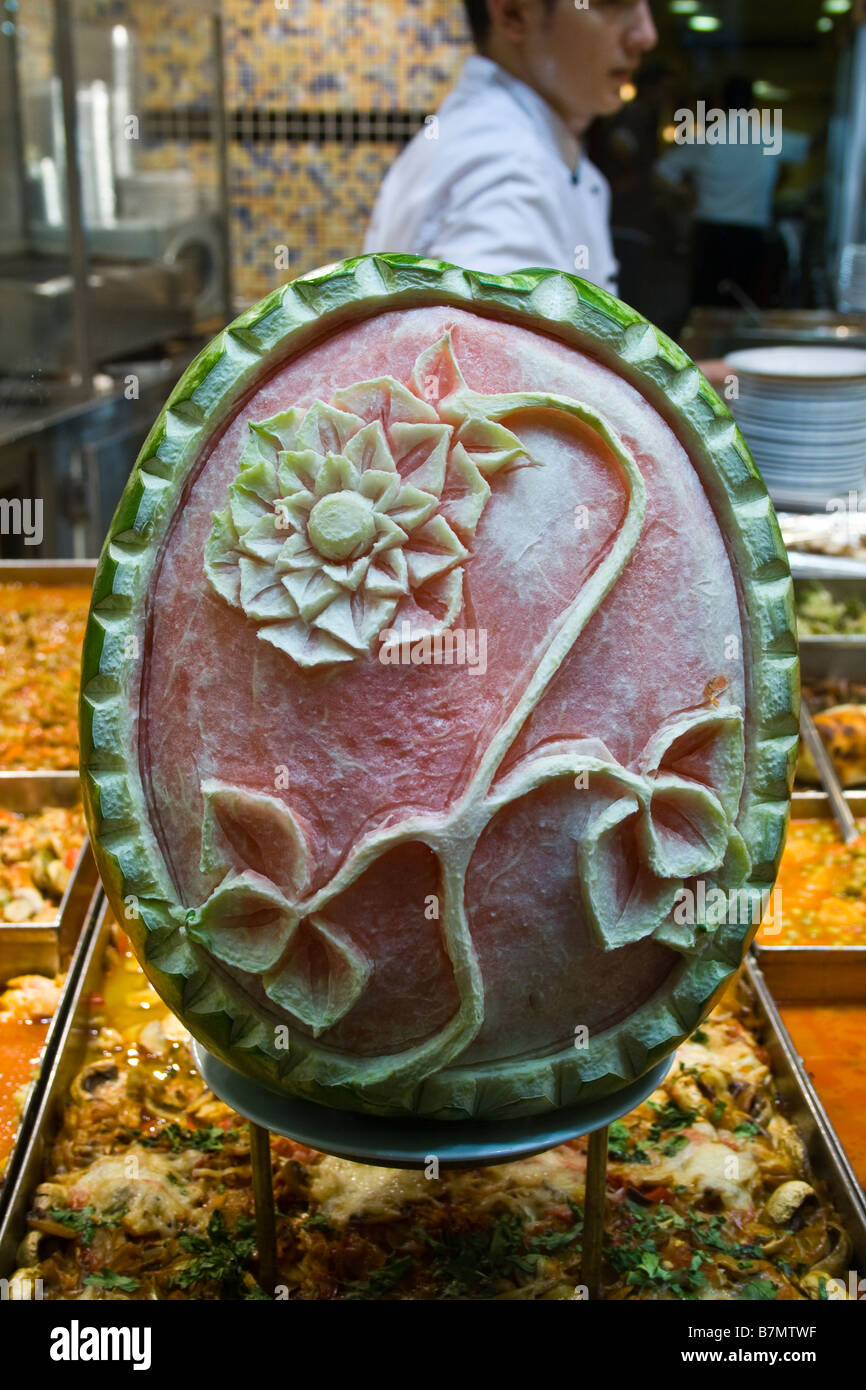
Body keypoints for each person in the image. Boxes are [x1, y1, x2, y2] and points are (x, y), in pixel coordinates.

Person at [363, 0, 657, 294]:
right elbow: (496, 338)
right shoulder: (509, 167)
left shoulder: (506, 138)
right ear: (513, 13)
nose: (646, 35)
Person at [656, 76, 812, 308]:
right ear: (753, 104)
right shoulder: (767, 137)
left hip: (709, 233)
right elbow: (809, 145)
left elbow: (662, 170)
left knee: (705, 306)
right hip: (750, 236)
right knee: (743, 305)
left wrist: (687, 193)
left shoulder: (707, 138)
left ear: (721, 103)